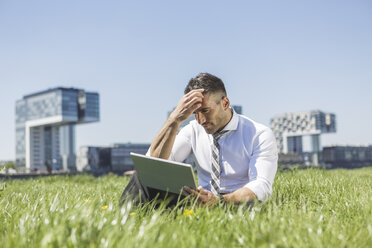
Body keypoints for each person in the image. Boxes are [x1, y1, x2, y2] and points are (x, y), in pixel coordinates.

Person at [120, 73, 278, 207]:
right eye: (194, 113)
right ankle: (124, 229)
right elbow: (152, 165)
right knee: (141, 176)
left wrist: (220, 201)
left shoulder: (259, 134)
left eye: (205, 110)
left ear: (225, 103)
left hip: (238, 203)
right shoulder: (192, 130)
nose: (201, 120)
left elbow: (261, 185)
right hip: (199, 202)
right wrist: (174, 120)